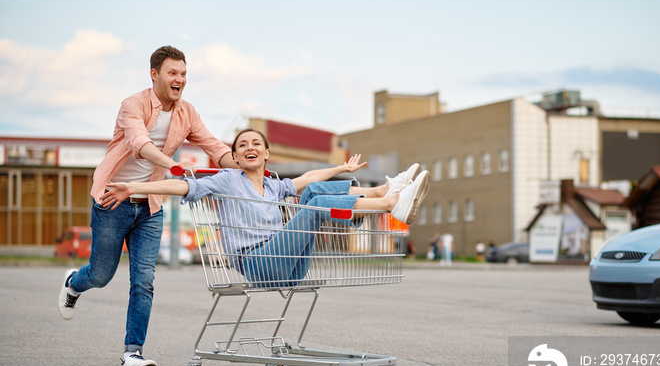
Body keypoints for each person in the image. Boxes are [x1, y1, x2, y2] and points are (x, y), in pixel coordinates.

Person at [58, 45, 239, 366]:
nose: (179, 80)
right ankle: (74, 283)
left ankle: (132, 353)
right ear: (154, 74)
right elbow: (139, 145)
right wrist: (173, 166)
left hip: (150, 206)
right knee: (101, 275)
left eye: (183, 74)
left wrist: (241, 165)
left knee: (144, 280)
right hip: (113, 199)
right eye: (173, 73)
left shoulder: (187, 112)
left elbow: (214, 146)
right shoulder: (133, 105)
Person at [100, 128, 431, 286]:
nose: (249, 147)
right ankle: (389, 203)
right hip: (258, 263)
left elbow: (311, 177)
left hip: (288, 264)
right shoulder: (227, 179)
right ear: (237, 156)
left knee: (313, 192)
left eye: (256, 143)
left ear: (267, 154)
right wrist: (135, 186)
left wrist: (341, 170)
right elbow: (181, 186)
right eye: (242, 145)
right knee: (312, 205)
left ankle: (386, 191)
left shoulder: (274, 185)